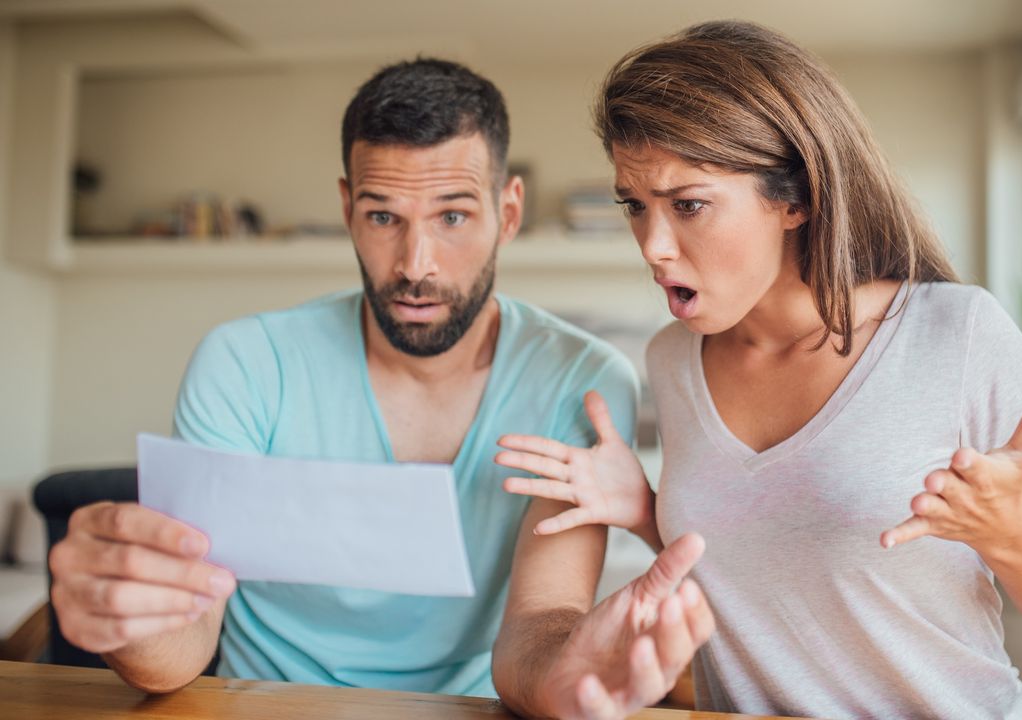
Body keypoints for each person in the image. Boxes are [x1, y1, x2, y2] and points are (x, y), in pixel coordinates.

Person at [47, 57, 712, 719]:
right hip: (260, 707)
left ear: (507, 213)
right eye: (383, 217)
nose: (415, 265)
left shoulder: (581, 381)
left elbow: (540, 621)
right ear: (346, 209)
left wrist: (568, 676)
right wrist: (128, 620)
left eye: (452, 217)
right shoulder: (246, 363)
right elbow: (182, 645)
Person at [496, 21, 1022, 719]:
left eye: (688, 205)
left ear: (795, 199)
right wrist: (647, 513)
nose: (654, 246)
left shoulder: (957, 332)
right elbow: (771, 562)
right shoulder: (673, 361)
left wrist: (1008, 532)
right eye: (635, 206)